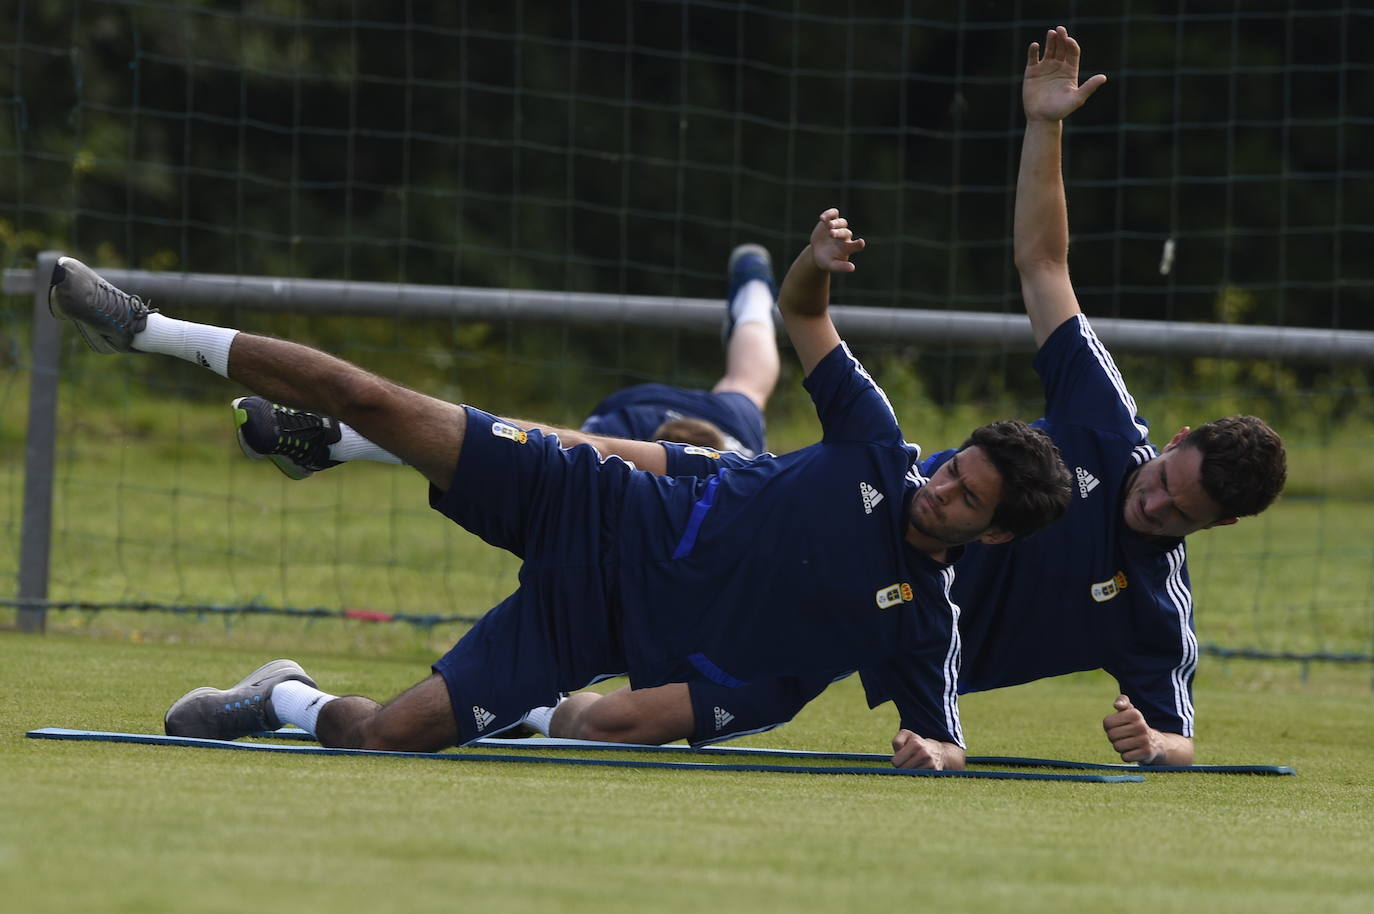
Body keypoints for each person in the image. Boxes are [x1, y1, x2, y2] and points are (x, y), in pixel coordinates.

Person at [509, 26, 1288, 766]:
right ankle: (503, 595)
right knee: (597, 460)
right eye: (1162, 480)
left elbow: (1178, 735)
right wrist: (1045, 126)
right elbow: (1044, 266)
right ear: (1176, 439)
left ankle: (528, 711)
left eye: (1180, 514)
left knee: (617, 723)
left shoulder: (1154, 605)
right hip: (811, 529)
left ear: (1218, 525)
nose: (1153, 503)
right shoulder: (1104, 423)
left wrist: (1155, 746)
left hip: (856, 634)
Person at [46, 207, 1074, 768]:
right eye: (951, 468)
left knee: (383, 740)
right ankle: (148, 328)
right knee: (379, 397)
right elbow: (807, 320)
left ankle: (283, 694)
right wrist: (811, 261)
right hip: (590, 498)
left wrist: (933, 753)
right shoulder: (876, 444)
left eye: (961, 499)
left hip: (591, 625)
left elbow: (943, 735)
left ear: (989, 538)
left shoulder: (924, 617)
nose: (936, 489)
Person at [226, 244, 780, 482]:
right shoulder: (657, 456)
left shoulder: (750, 455)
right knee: (532, 457)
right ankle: (335, 440)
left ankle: (753, 282)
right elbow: (512, 448)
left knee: (750, 378)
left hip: (716, 425)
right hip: (649, 434)